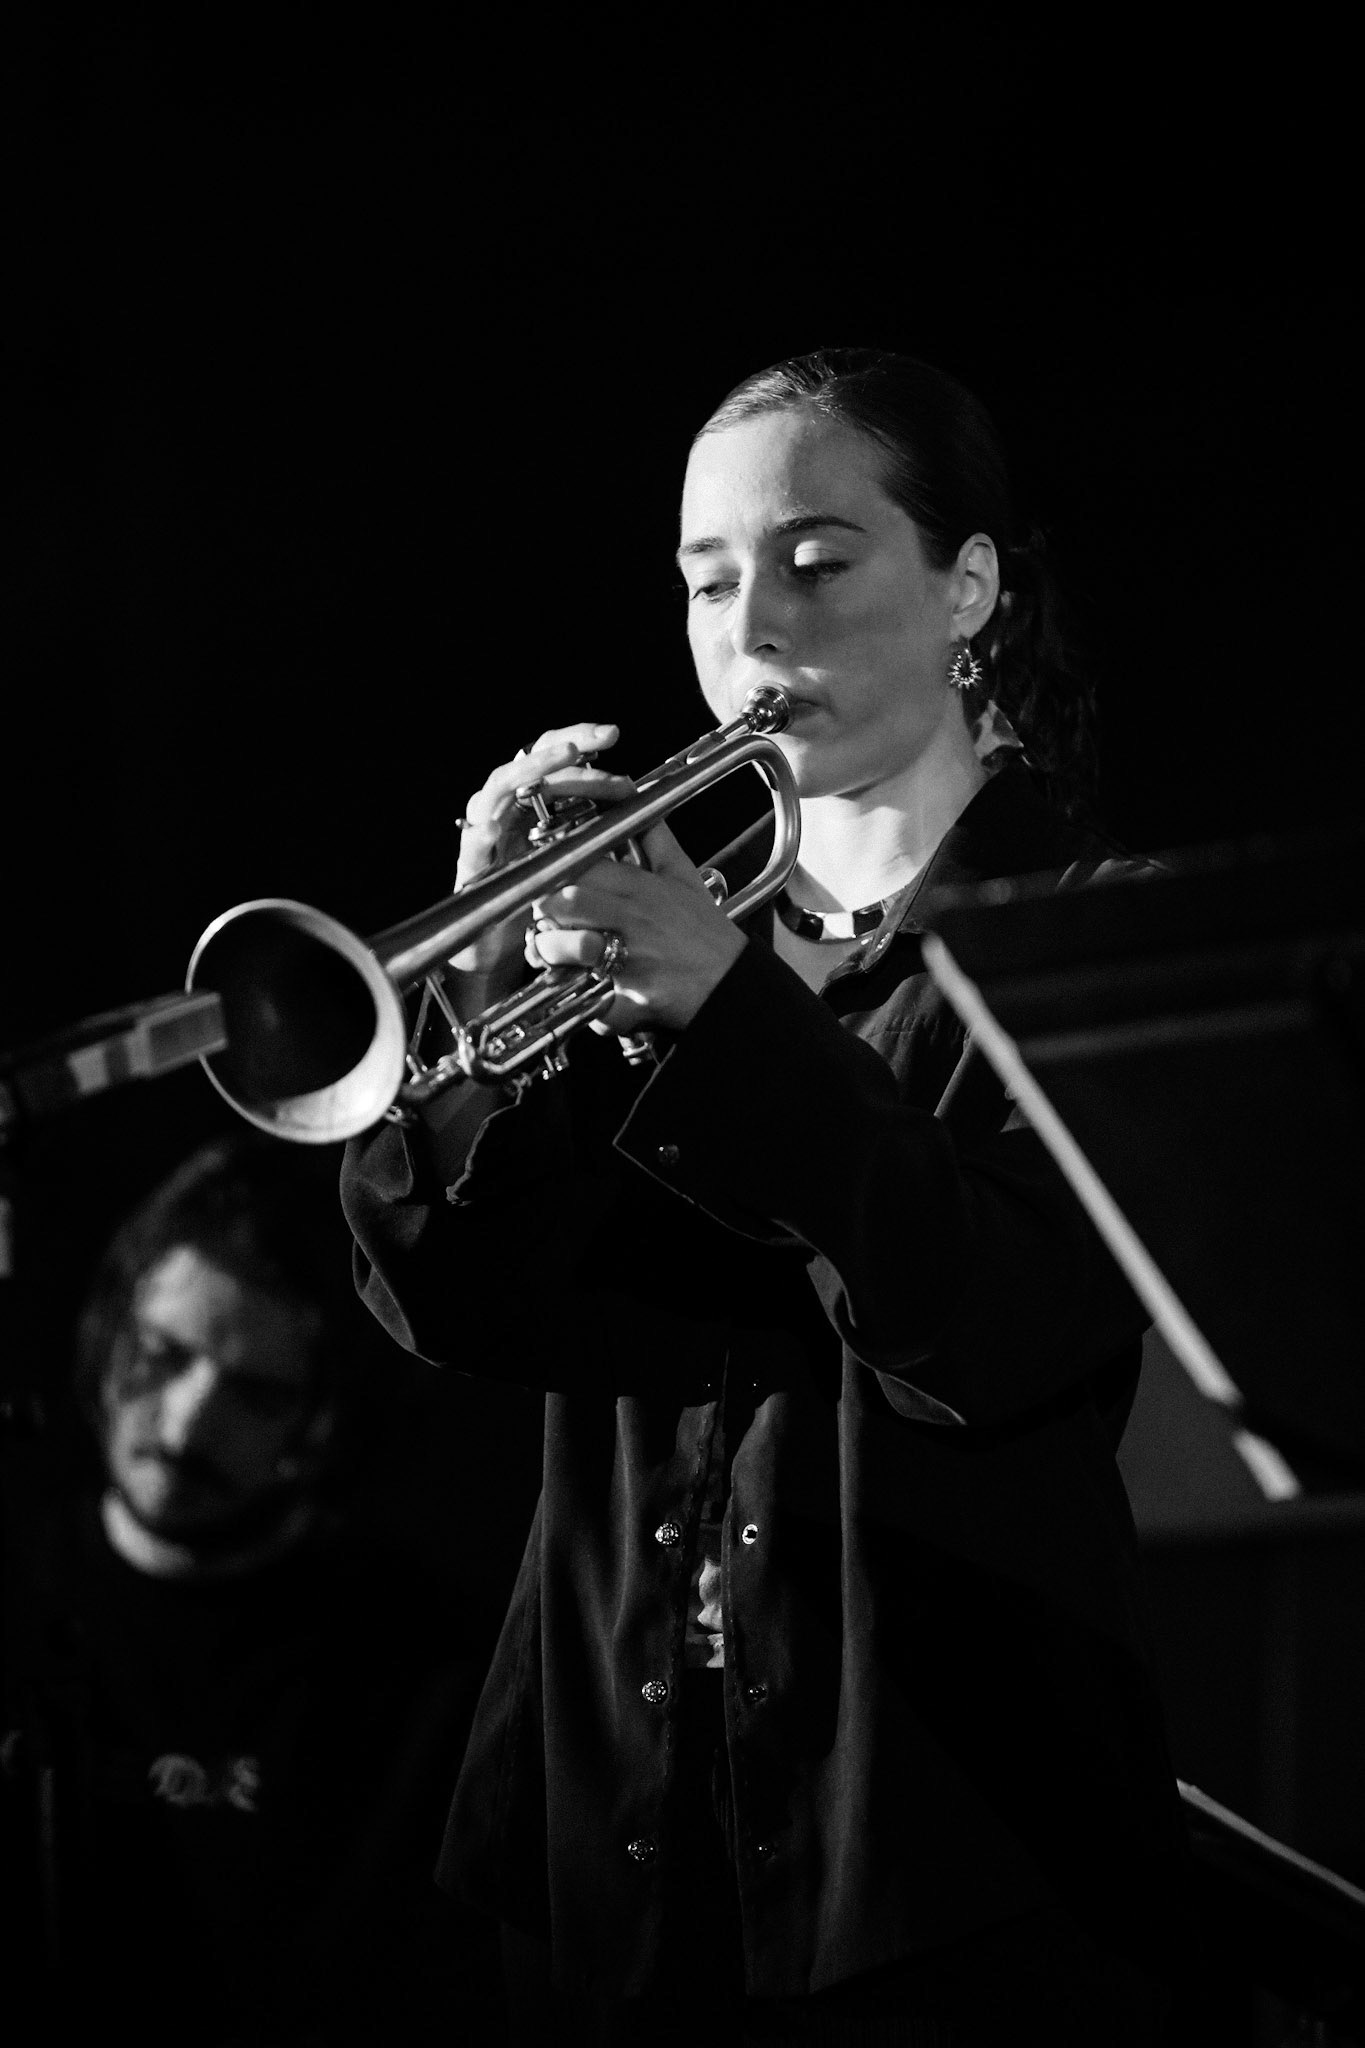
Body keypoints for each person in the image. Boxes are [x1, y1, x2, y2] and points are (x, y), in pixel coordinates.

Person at [340, 347, 1193, 2044]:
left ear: (968, 588)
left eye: (818, 561)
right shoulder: (656, 941)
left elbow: (985, 1330)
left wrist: (730, 1015)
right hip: (608, 1846)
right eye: (710, 579)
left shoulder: (1086, 938)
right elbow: (448, 1295)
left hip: (947, 1856)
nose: (754, 625)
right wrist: (480, 995)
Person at [2, 1136, 506, 2047]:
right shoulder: (19, 1590)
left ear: (321, 1419)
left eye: (254, 1394)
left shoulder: (421, 1678)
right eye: (160, 1355)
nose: (187, 1420)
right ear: (109, 1329)